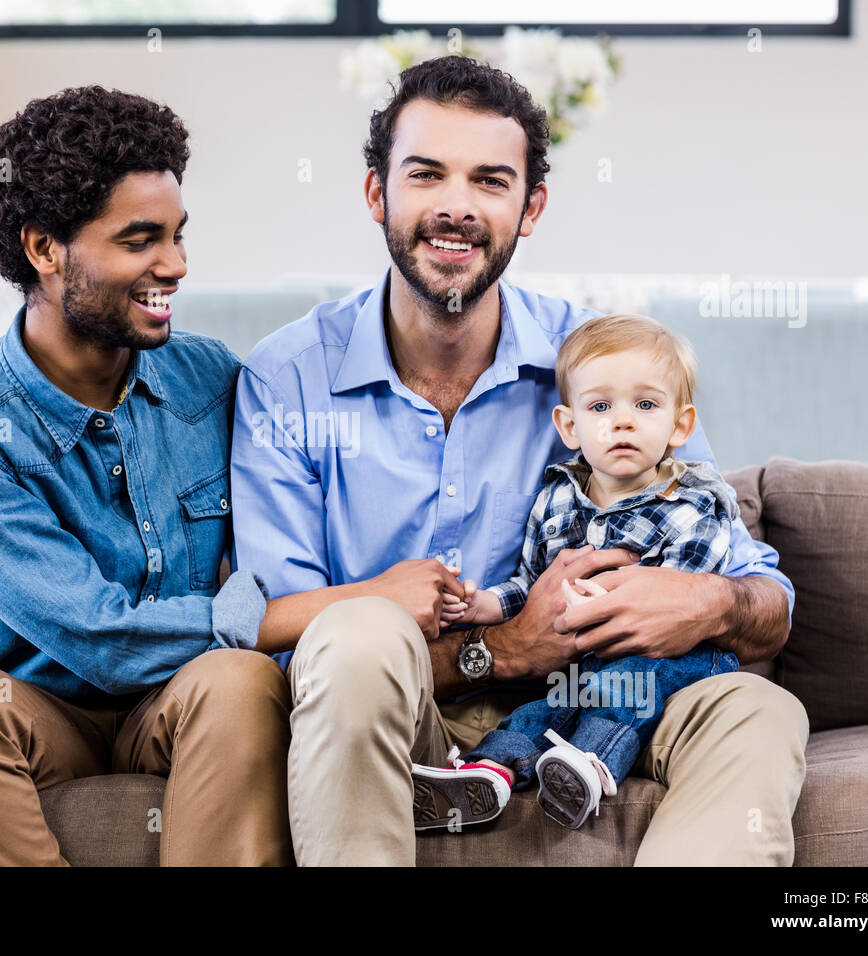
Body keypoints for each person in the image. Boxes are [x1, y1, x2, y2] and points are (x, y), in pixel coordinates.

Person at [230, 56, 809, 866]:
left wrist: (707, 601)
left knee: (757, 709)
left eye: (490, 181)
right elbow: (291, 648)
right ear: (377, 195)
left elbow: (767, 597)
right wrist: (504, 649)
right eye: (426, 174)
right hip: (407, 708)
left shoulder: (605, 369)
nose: (456, 208)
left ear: (530, 206)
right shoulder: (288, 378)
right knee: (353, 633)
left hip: (604, 702)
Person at [0, 86, 293, 866]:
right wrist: (282, 614)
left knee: (240, 680)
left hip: (182, 705)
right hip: (39, 714)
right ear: (44, 249)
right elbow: (98, 636)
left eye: (177, 236)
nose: (174, 265)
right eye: (141, 239)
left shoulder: (210, 380)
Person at [413, 312, 743, 831]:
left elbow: (685, 588)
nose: (624, 420)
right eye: (600, 406)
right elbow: (531, 583)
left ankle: (587, 768)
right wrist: (488, 605)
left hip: (668, 662)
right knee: (538, 711)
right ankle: (488, 774)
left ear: (681, 424)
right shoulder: (556, 499)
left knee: (620, 690)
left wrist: (602, 599)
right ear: (570, 426)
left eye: (646, 404)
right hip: (574, 665)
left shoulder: (695, 503)